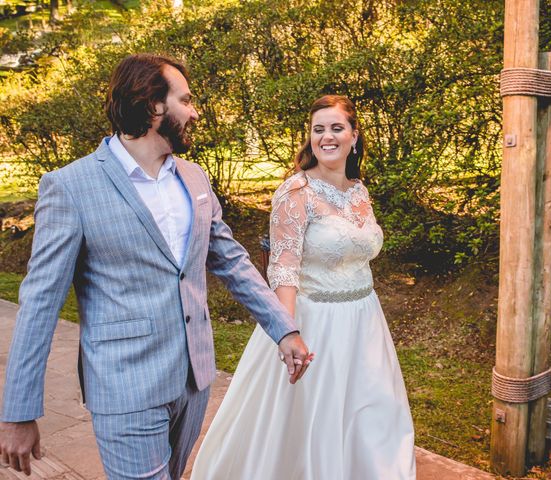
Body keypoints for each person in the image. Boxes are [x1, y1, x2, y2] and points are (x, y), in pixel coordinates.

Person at [0, 53, 311, 479]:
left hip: (194, 381)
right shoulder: (70, 187)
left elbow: (232, 262)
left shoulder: (195, 177)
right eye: (185, 100)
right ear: (152, 106)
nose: (195, 111)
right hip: (125, 387)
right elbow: (39, 302)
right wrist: (18, 411)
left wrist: (284, 327)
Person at [191, 95, 416, 479]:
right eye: (318, 130)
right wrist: (287, 332)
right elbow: (283, 268)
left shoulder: (358, 190)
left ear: (354, 135)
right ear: (310, 138)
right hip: (315, 322)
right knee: (309, 423)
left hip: (365, 321)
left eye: (336, 128)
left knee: (373, 415)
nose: (327, 137)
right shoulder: (296, 193)